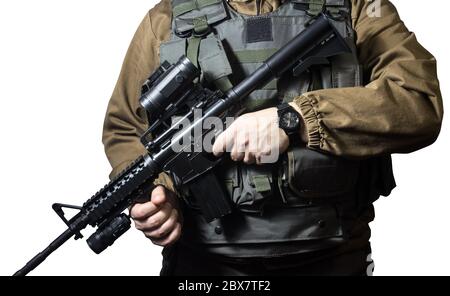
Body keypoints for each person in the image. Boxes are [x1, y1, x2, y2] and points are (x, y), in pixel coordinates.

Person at [102, 0, 443, 276]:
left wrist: (296, 119)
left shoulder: (357, 8)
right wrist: (158, 195)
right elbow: (126, 128)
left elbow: (418, 101)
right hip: (204, 268)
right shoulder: (165, 19)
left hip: (333, 258)